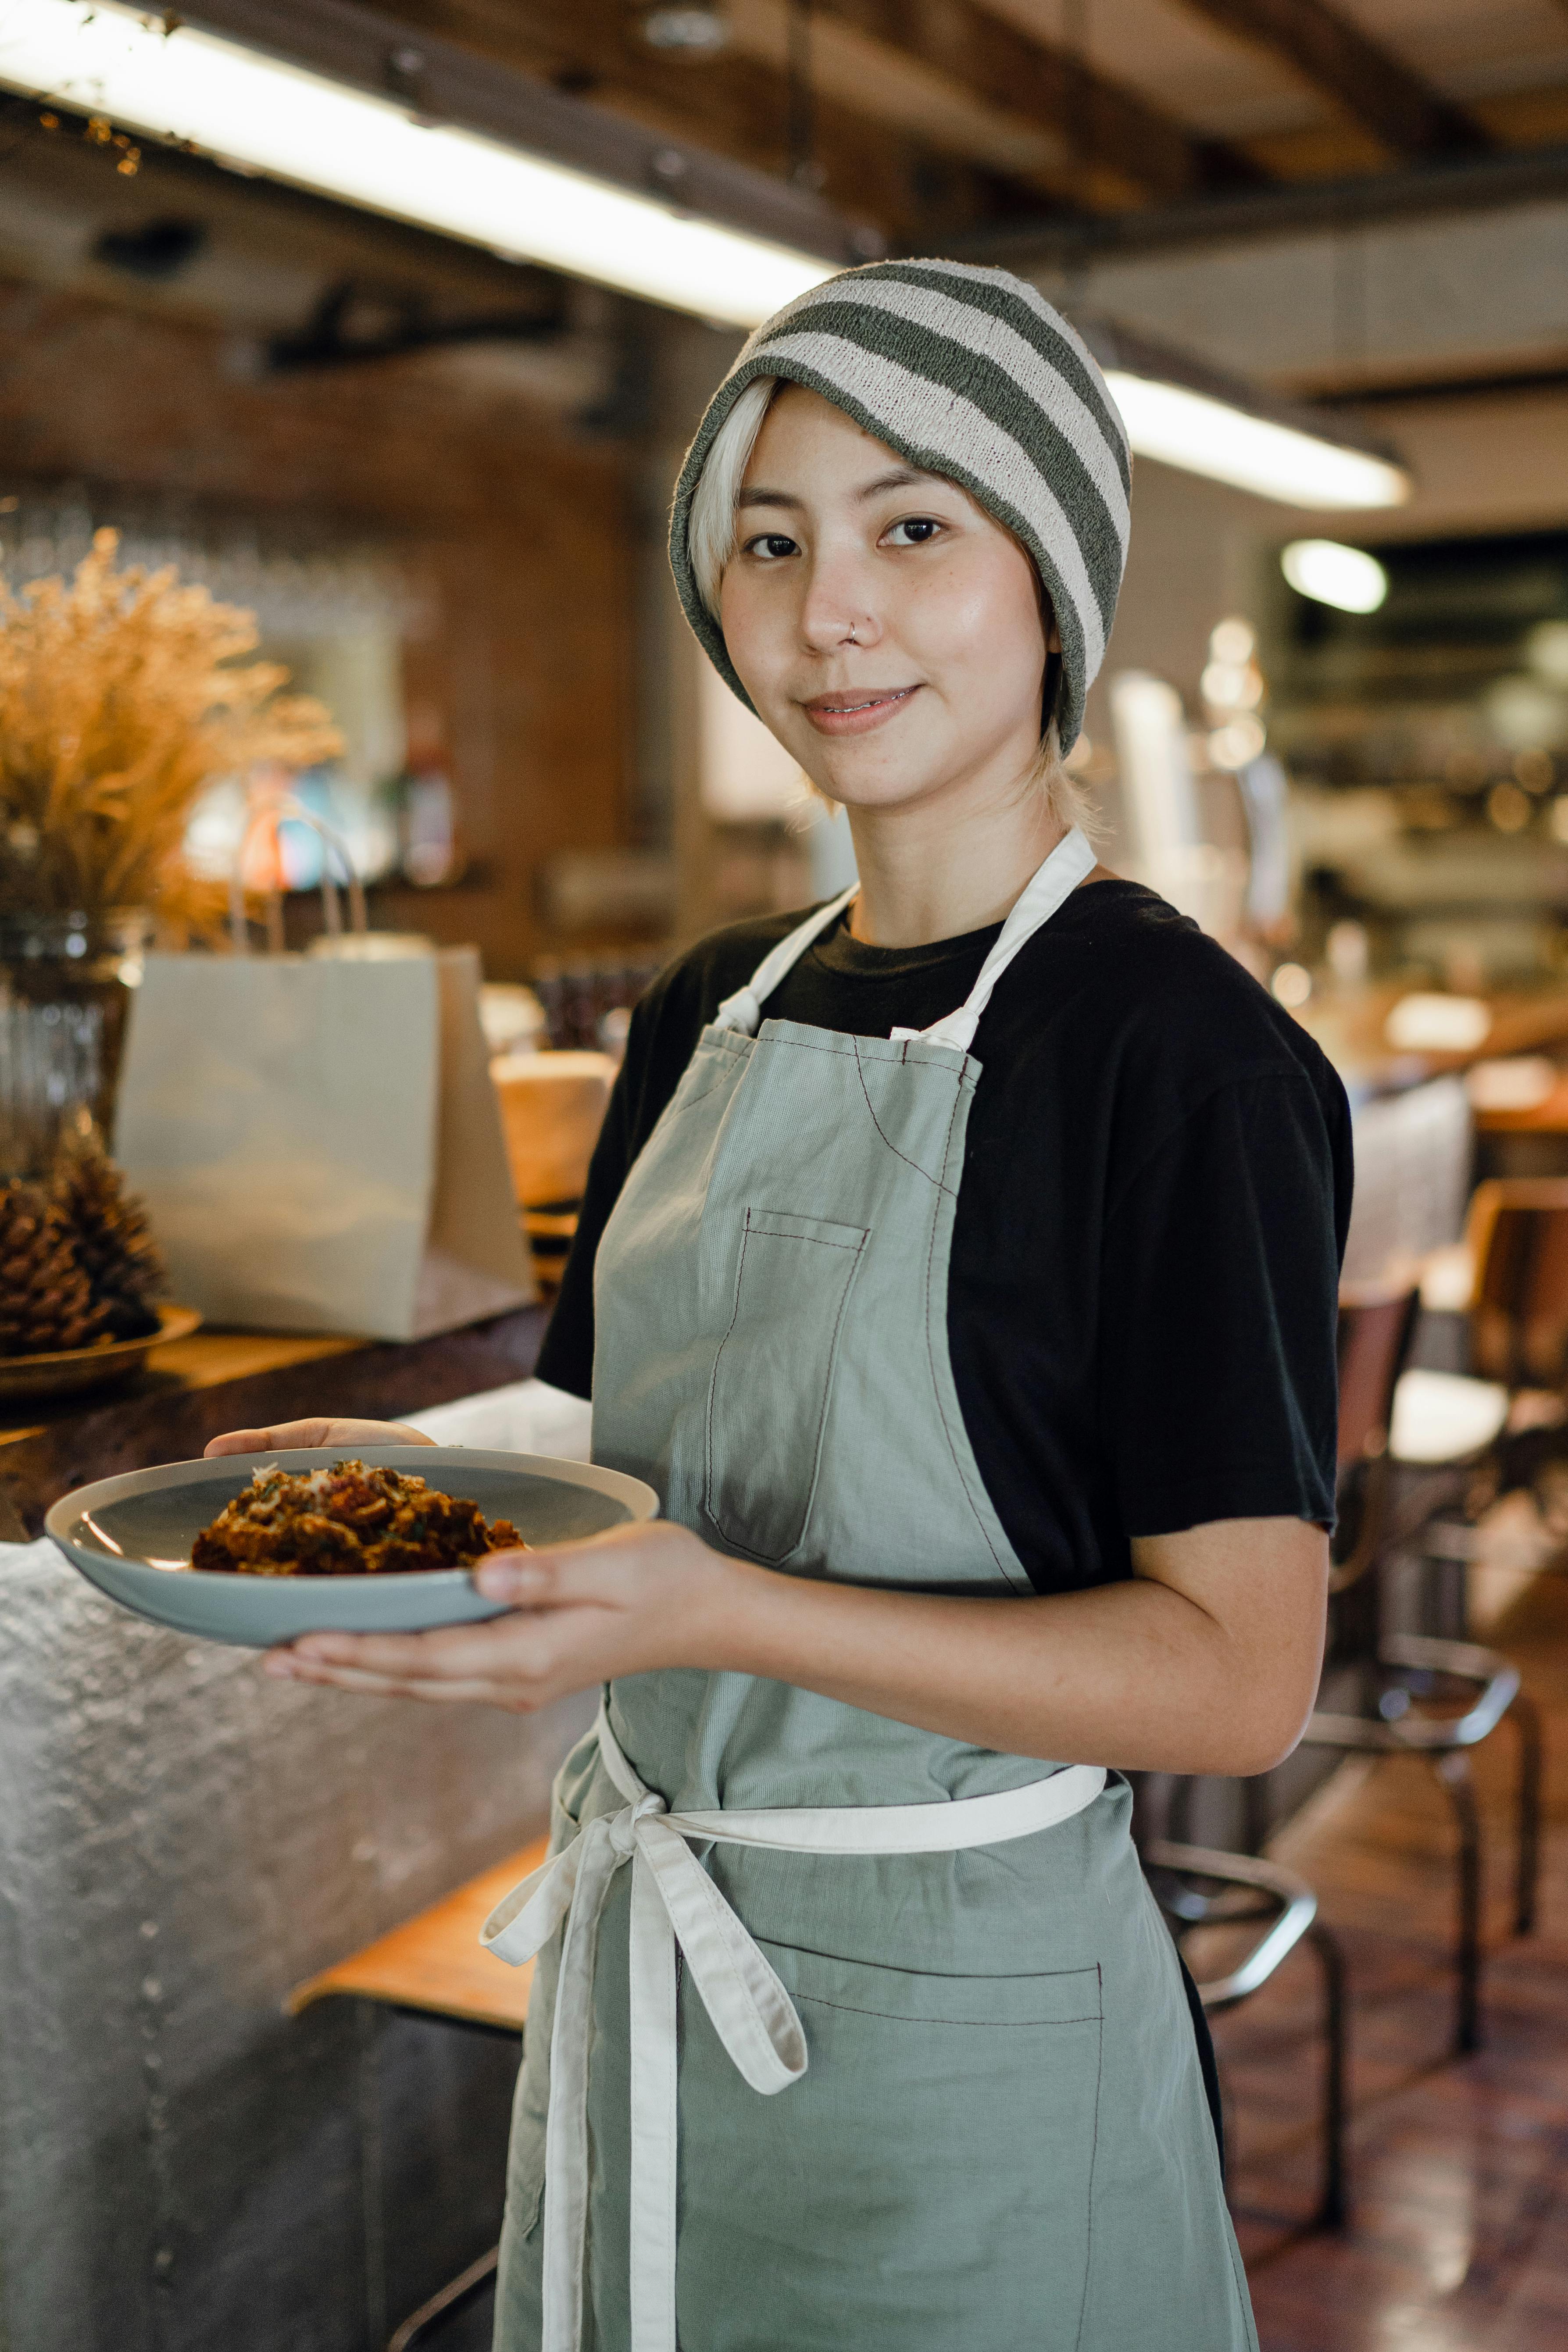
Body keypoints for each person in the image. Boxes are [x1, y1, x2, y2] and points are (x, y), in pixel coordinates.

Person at [212, 261, 1350, 2352]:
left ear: (1051, 583)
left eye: (914, 526)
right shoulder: (707, 1003)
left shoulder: (1183, 1057)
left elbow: (1237, 1685)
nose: (833, 609)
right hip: (655, 1984)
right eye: (770, 539)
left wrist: (716, 1612)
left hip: (971, 2048)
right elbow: (612, 1446)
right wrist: (403, 1478)